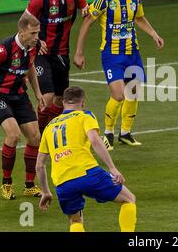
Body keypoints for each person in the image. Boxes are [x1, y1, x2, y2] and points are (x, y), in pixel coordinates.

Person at [74, 0, 164, 150]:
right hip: (112, 55)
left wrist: (154, 34)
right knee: (118, 94)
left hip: (132, 52)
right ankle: (107, 133)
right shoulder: (104, 0)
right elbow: (87, 23)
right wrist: (79, 52)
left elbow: (139, 18)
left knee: (133, 93)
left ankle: (125, 133)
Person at [36, 86, 137, 232]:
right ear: (82, 103)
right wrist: (112, 168)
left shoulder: (49, 127)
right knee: (128, 199)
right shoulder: (85, 116)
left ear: (63, 102)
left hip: (62, 182)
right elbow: (95, 141)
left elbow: (39, 165)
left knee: (75, 221)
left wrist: (46, 191)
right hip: (87, 173)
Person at [0, 13, 46, 200]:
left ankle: (29, 185)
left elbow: (30, 67)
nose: (36, 37)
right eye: (33, 33)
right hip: (0, 95)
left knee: (35, 137)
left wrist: (38, 93)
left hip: (19, 95)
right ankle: (6, 183)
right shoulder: (4, 49)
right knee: (13, 134)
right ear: (21, 32)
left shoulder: (34, 46)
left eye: (38, 33)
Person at [24, 0, 89, 135]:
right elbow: (24, 22)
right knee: (47, 96)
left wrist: (79, 52)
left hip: (62, 53)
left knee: (60, 101)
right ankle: (40, 133)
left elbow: (87, 13)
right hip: (41, 53)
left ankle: (51, 131)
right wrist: (36, 40)